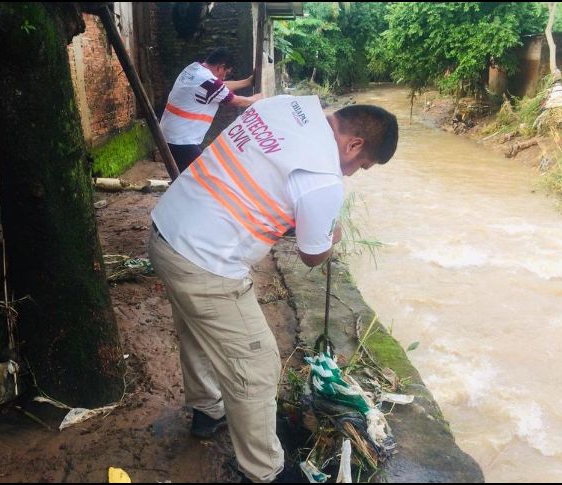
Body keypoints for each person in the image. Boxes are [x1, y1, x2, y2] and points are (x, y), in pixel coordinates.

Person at [148, 94, 399, 483]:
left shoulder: (285, 107)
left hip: (168, 230)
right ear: (354, 145)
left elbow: (261, 175)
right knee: (258, 365)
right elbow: (312, 256)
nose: (352, 173)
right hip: (206, 262)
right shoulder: (323, 178)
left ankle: (207, 410)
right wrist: (333, 235)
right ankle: (264, 471)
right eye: (360, 166)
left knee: (197, 330)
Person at [160, 47, 263, 173]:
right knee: (201, 178)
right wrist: (257, 98)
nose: (224, 77)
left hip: (169, 134)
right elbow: (238, 101)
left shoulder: (193, 69)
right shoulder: (209, 81)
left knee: (187, 177)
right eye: (225, 73)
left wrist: (247, 82)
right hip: (181, 140)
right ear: (220, 67)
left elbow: (219, 86)